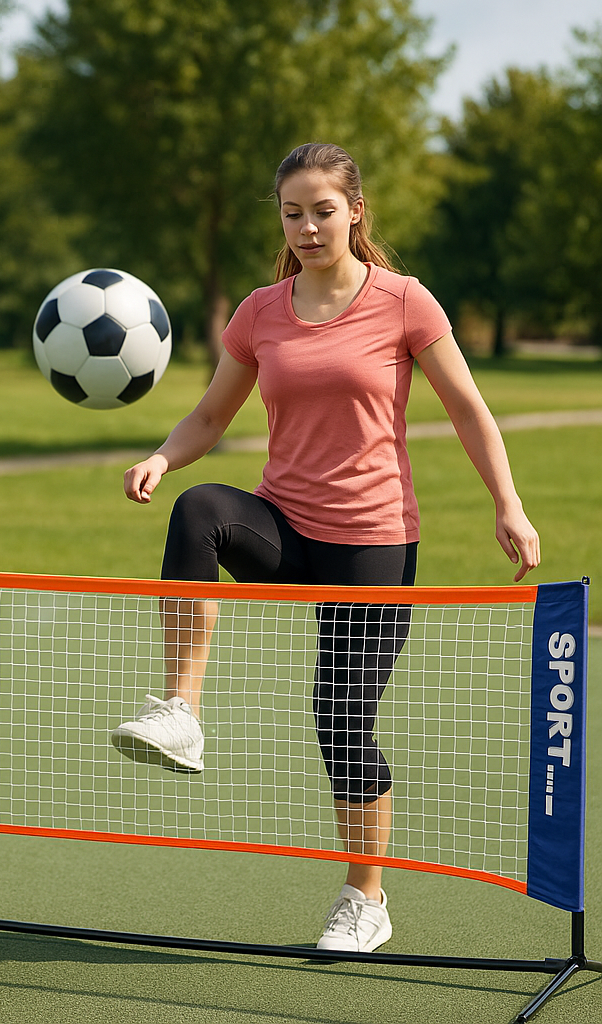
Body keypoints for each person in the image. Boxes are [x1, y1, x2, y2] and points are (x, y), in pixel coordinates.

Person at [109, 142, 540, 954]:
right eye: (292, 213)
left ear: (355, 212)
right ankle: (180, 711)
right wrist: (163, 457)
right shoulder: (259, 311)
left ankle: (364, 899)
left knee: (341, 720)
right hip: (286, 527)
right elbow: (211, 416)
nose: (307, 227)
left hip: (374, 541)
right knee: (201, 509)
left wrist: (507, 503)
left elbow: (468, 409)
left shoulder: (405, 301)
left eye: (322, 211)